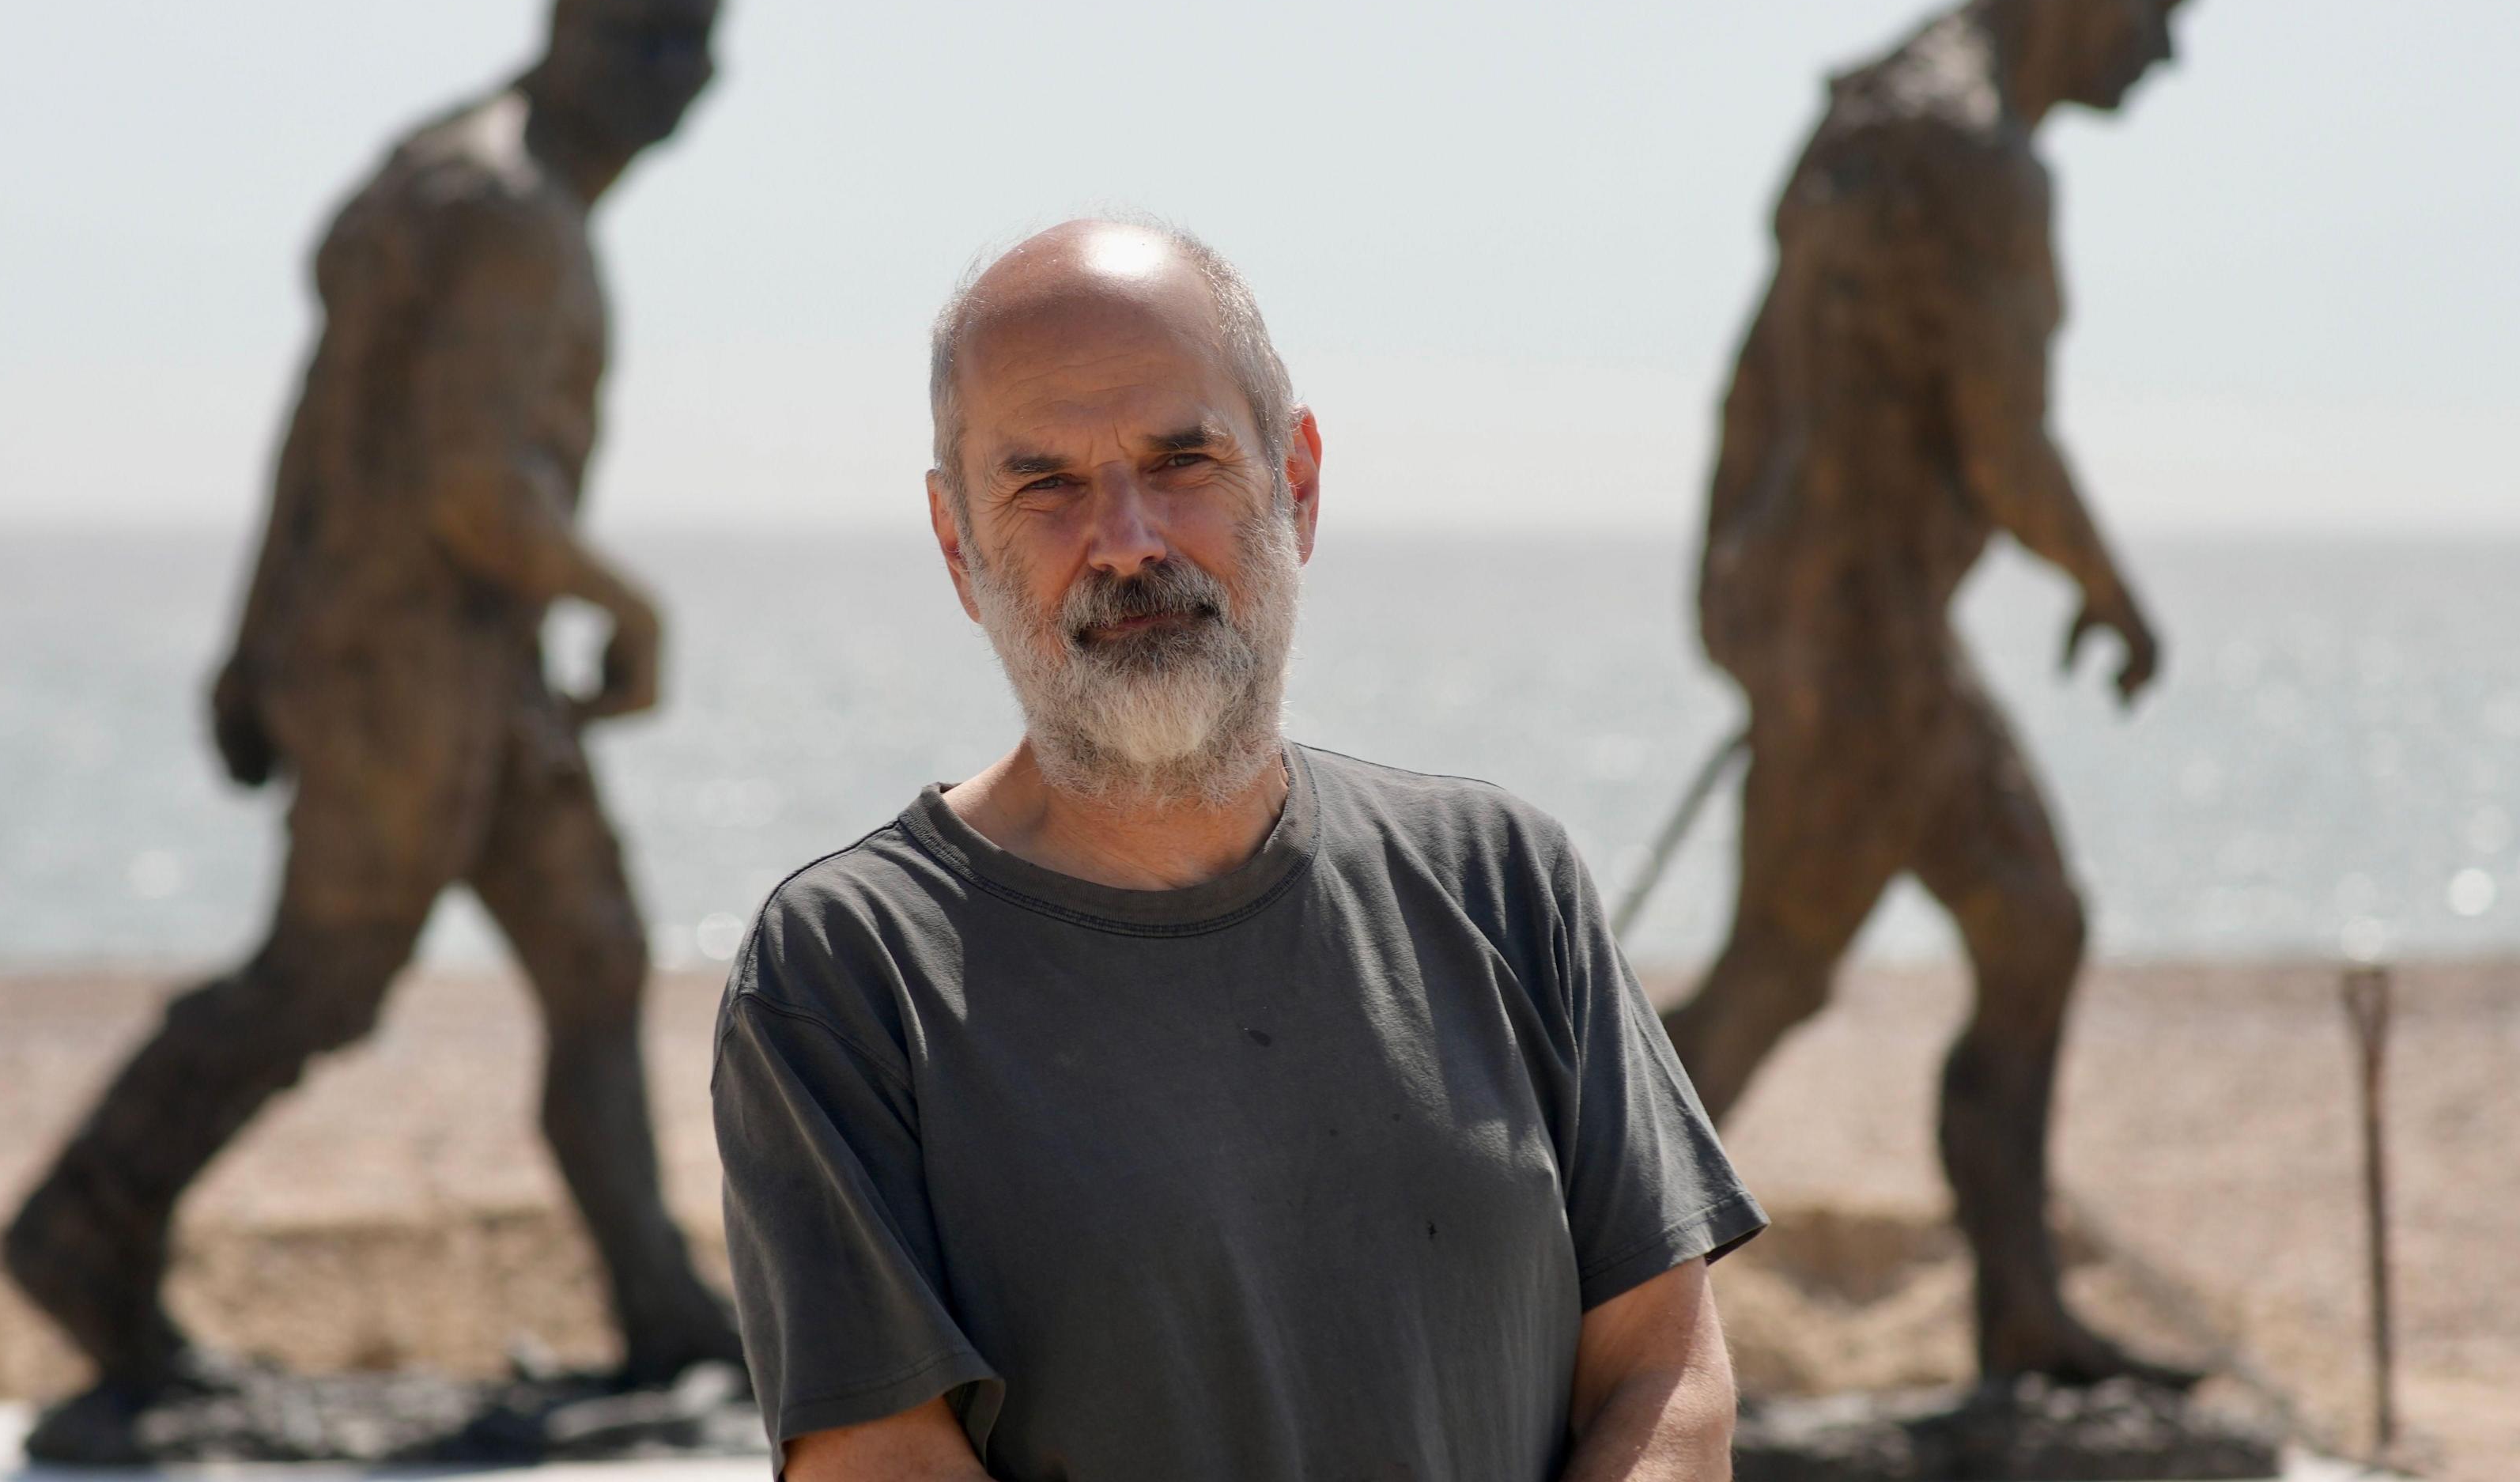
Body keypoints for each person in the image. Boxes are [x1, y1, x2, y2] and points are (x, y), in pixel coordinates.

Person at [711, 218, 1766, 1481]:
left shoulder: (1502, 879)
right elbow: (881, 1465)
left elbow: (1669, 1380)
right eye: (1045, 483)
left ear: (1298, 484)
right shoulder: (844, 978)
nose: (1129, 538)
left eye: (1181, 459)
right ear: (957, 547)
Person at [2, 0, 744, 1405]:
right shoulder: (510, 210)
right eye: (642, 35)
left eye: (693, 45)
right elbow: (467, 489)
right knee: (324, 979)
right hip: (411, 663)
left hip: (475, 662)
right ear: (567, 26)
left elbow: (319, 435)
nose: (673, 79)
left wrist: (251, 637)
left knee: (593, 961)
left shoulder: (451, 177)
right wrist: (630, 606)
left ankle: (664, 1308)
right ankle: (84, 1227)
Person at [1659, 0, 2196, 1385]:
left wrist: (1746, 604)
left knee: (2030, 926)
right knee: (1776, 971)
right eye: (2153, 6)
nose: (2161, 54)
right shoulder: (1969, 158)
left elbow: (1756, 399)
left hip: (1849, 615)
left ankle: (2019, 1311)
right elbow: (2005, 445)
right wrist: (2112, 587)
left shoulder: (1887, 115)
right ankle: (1571, 1305)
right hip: (1861, 627)